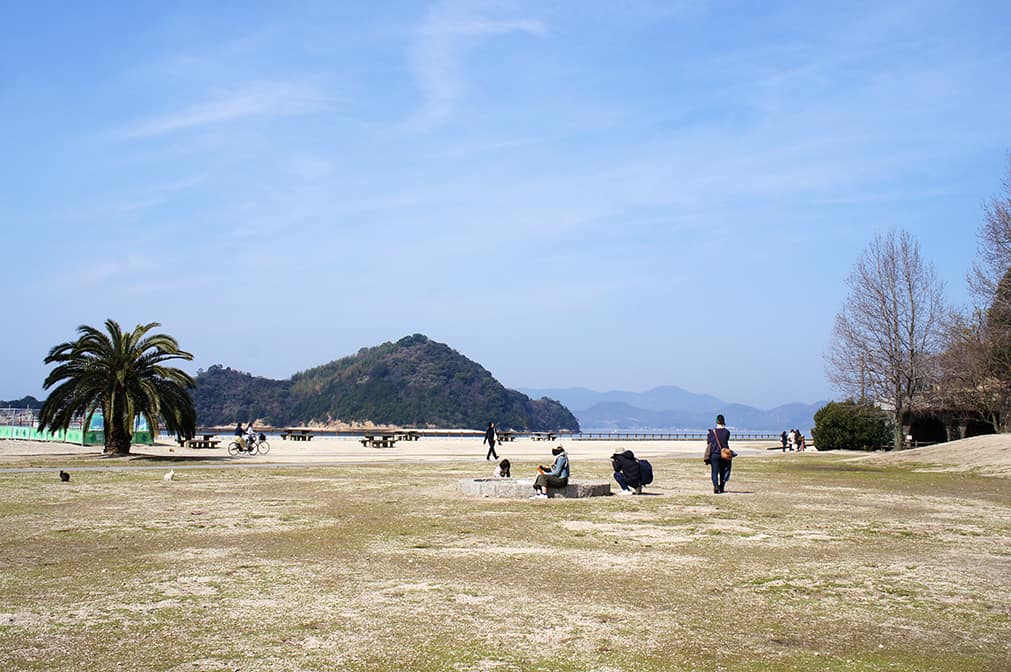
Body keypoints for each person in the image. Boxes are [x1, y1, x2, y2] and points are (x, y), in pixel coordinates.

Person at [703, 414, 734, 494]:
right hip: (724, 454)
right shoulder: (727, 432)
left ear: (716, 421)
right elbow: (725, 441)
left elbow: (709, 442)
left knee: (714, 472)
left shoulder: (712, 432)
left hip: (714, 454)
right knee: (723, 471)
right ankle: (722, 487)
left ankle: (716, 486)